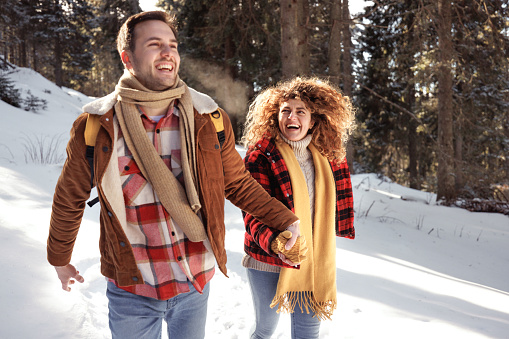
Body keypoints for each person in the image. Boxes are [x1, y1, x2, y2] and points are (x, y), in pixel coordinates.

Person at [47, 11, 301, 339]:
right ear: (128, 58)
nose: (168, 52)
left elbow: (237, 183)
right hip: (132, 289)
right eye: (154, 44)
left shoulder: (209, 117)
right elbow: (69, 198)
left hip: (194, 281)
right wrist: (60, 257)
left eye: (172, 45)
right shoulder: (97, 127)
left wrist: (284, 219)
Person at [241, 77, 356, 339]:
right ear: (276, 116)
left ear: (313, 120)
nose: (292, 117)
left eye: (300, 111)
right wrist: (277, 244)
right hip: (267, 258)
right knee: (265, 329)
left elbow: (338, 203)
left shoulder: (328, 157)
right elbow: (252, 210)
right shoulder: (261, 155)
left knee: (307, 333)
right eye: (286, 111)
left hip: (310, 258)